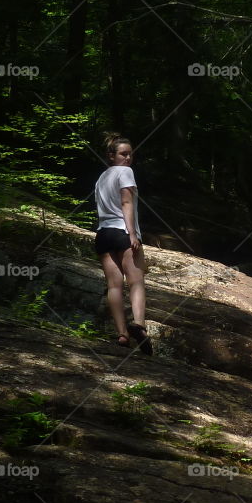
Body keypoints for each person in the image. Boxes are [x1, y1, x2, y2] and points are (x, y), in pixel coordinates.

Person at [94, 133, 147, 348]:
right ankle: (139, 325)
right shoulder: (126, 172)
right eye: (123, 154)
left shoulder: (101, 178)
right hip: (122, 232)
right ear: (111, 156)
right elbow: (126, 202)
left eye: (130, 154)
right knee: (136, 281)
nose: (128, 158)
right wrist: (132, 233)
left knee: (114, 286)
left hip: (103, 234)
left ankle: (122, 334)